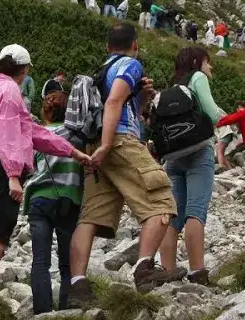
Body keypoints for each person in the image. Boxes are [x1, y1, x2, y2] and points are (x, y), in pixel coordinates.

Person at [0, 45, 90, 320]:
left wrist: (72, 152)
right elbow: (10, 134)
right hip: (2, 169)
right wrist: (13, 176)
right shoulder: (11, 91)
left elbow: (33, 133)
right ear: (24, 70)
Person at [69, 25, 182, 308]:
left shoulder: (102, 69)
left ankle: (78, 286)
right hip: (118, 141)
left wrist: (141, 99)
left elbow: (122, 103)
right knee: (161, 200)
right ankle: (145, 269)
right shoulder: (130, 64)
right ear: (135, 45)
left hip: (96, 145)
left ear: (107, 47)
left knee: (91, 216)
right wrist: (109, 144)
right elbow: (115, 101)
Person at [158, 47, 219, 285]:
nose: (210, 67)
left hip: (173, 156)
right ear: (198, 62)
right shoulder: (198, 78)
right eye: (208, 62)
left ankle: (167, 271)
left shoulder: (173, 85)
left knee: (174, 216)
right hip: (198, 151)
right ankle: (197, 271)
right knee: (196, 211)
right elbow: (212, 114)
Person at [25, 92, 83, 314]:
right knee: (67, 262)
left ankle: (43, 311)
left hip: (40, 199)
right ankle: (68, 309)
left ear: (46, 111)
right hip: (69, 200)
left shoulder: (38, 133)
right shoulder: (76, 134)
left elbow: (28, 166)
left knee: (41, 260)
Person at [216, 103, 245, 171]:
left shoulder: (243, 112)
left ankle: (223, 168)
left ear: (240, 107)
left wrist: (218, 124)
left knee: (220, 151)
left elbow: (230, 119)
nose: (237, 110)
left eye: (237, 108)